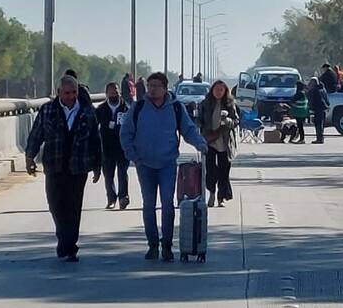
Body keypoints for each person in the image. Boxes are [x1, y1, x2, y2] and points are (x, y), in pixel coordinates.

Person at [119, 72, 208, 262]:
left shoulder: (176, 108)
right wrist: (133, 156)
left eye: (157, 86)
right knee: (148, 205)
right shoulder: (139, 107)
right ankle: (152, 245)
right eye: (150, 85)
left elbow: (188, 129)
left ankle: (167, 245)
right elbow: (125, 133)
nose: (153, 89)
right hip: (145, 164)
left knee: (167, 204)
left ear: (166, 87)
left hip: (167, 163)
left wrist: (200, 143)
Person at [24, 75, 102, 262]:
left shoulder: (88, 112)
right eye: (66, 93)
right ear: (59, 92)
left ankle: (70, 246)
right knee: (56, 205)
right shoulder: (47, 110)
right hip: (54, 166)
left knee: (73, 207)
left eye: (74, 92)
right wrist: (29, 157)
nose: (71, 96)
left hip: (78, 168)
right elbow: (37, 134)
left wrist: (98, 165)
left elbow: (95, 141)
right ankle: (63, 238)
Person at [197, 80, 239, 207]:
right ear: (212, 90)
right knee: (210, 171)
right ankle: (212, 193)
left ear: (226, 91)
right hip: (209, 142)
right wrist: (201, 133)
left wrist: (227, 121)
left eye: (221, 90)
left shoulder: (230, 104)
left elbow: (236, 121)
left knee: (224, 171)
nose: (219, 92)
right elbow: (198, 120)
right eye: (216, 89)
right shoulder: (205, 104)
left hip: (225, 143)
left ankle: (221, 197)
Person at [94, 82, 130, 210]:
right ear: (106, 93)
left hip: (122, 147)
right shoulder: (100, 110)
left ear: (119, 92)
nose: (114, 94)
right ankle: (111, 199)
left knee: (122, 173)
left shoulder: (127, 109)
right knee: (108, 175)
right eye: (111, 92)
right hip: (107, 147)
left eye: (116, 91)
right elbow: (93, 128)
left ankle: (123, 197)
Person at [307, 77, 331, 144]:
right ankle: (320, 138)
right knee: (321, 124)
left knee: (318, 124)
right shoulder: (322, 89)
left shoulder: (316, 90)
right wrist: (327, 106)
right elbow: (326, 99)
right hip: (323, 109)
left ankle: (319, 139)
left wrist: (311, 108)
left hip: (318, 109)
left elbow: (319, 100)